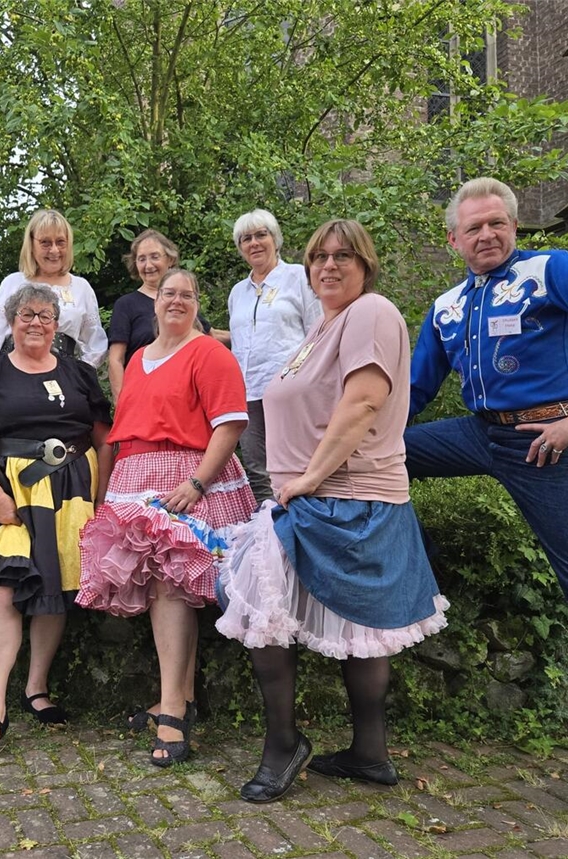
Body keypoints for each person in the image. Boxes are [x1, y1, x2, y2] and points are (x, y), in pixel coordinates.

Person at [405, 178, 568, 814]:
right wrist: (347, 441)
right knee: (381, 457)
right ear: (452, 239)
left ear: (515, 228)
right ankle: (410, 574)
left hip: (547, 443)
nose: (486, 234)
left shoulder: (551, 271)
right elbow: (413, 392)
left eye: (497, 223)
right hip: (476, 434)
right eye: (473, 227)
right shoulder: (445, 307)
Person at [216, 219, 449, 802]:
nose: (329, 265)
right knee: (352, 622)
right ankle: (370, 754)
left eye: (344, 256)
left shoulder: (370, 313)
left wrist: (310, 478)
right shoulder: (325, 326)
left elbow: (365, 399)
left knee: (263, 611)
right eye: (319, 256)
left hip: (344, 496)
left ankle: (283, 745)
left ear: (367, 265)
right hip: (331, 497)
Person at [79, 268, 257, 767]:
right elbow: (125, 429)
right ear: (153, 302)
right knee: (163, 587)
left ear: (198, 304)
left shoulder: (209, 353)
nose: (176, 301)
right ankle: (181, 698)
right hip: (137, 477)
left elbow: (230, 424)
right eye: (168, 294)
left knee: (172, 587)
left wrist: (198, 482)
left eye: (187, 295)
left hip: (187, 476)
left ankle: (174, 710)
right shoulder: (137, 359)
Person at [0, 283, 112, 768]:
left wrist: (100, 496)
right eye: (27, 314)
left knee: (57, 586)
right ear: (12, 319)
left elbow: (106, 438)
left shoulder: (79, 373)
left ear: (57, 323)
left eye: (46, 316)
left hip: (72, 493)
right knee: (6, 587)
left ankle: (36, 688)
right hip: (14, 494)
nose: (37, 323)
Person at [228, 209, 322, 503]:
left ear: (275, 239)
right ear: (240, 247)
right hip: (249, 393)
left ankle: (299, 531)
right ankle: (266, 535)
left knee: (295, 465)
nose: (254, 243)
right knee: (256, 469)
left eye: (261, 235)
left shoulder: (298, 277)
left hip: (289, 391)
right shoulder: (237, 292)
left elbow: (318, 332)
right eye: (246, 238)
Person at [0, 209, 108, 367]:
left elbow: (95, 343)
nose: (54, 250)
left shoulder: (81, 288)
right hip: (13, 374)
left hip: (64, 376)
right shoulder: (13, 283)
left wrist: (81, 375)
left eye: (60, 242)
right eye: (45, 242)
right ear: (31, 244)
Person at [105, 230, 225, 402]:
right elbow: (116, 359)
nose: (148, 265)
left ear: (170, 260)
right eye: (141, 259)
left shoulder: (184, 301)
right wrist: (122, 404)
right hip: (144, 396)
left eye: (154, 256)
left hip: (188, 395)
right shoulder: (126, 305)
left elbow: (210, 337)